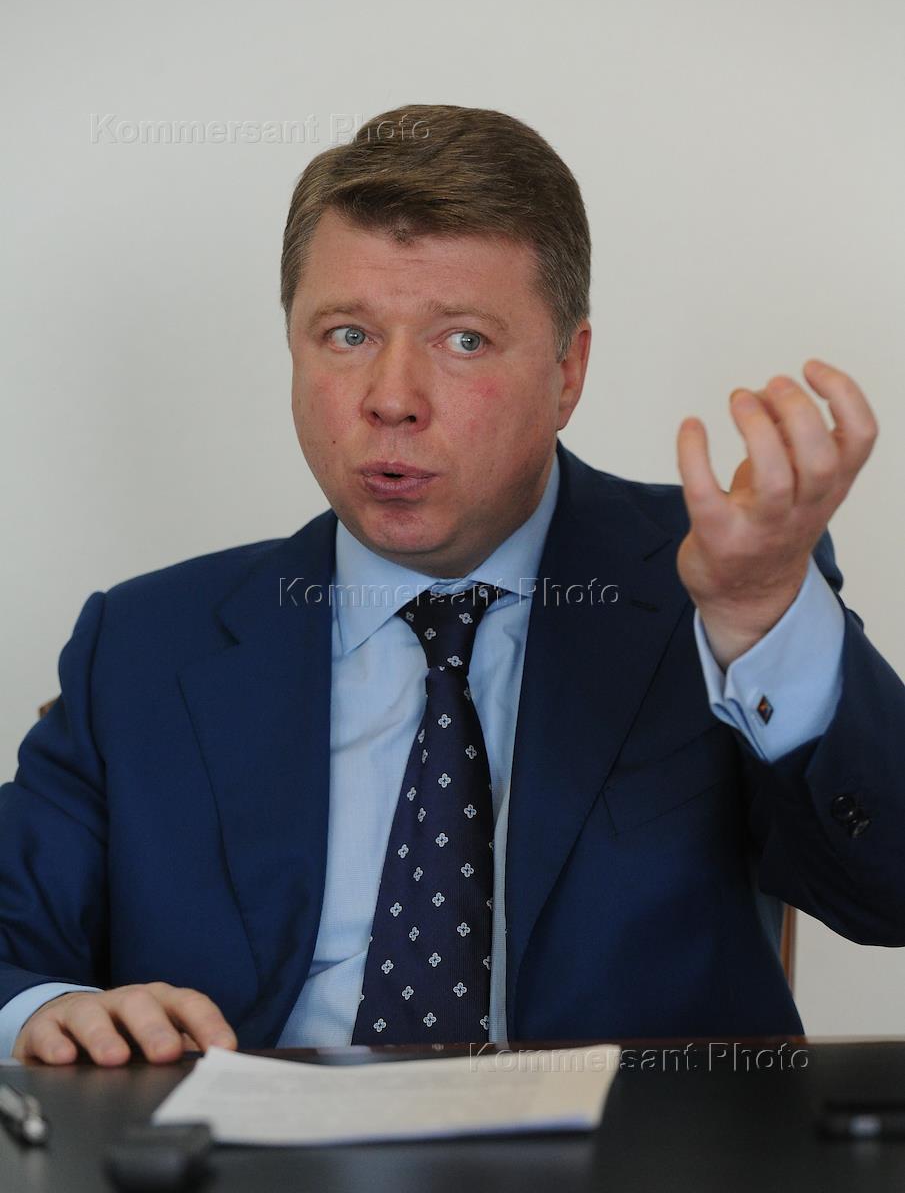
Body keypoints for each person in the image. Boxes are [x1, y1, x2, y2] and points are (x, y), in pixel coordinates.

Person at [1, 104, 903, 1066]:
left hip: (623, 1141)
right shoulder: (143, 643)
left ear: (567, 371)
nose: (391, 399)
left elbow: (887, 893)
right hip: (240, 1139)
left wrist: (761, 619)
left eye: (463, 340)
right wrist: (45, 1012)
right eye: (347, 334)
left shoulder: (720, 586)